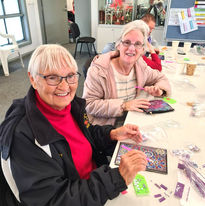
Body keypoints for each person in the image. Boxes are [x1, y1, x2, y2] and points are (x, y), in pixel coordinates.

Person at [0, 44, 148, 206]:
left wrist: (111, 134)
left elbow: (85, 134)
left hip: (94, 185)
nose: (64, 87)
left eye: (70, 76)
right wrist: (116, 179)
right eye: (52, 77)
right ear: (33, 79)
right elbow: (54, 199)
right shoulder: (22, 135)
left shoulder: (71, 106)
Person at [83, 22, 171, 127]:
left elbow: (161, 77)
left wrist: (159, 89)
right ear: (119, 45)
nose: (131, 48)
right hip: (106, 129)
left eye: (138, 44)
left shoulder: (140, 66)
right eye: (127, 42)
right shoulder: (99, 71)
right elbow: (90, 104)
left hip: (133, 121)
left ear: (143, 49)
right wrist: (123, 106)